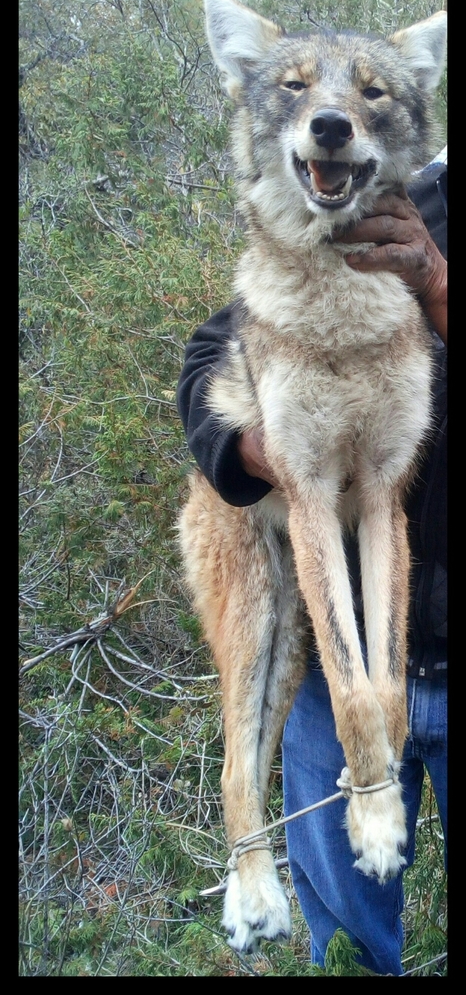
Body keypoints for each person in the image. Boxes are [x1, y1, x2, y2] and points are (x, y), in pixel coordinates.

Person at [176, 151, 447, 976]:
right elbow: (211, 355)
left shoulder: (419, 240)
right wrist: (259, 450)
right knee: (346, 947)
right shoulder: (395, 196)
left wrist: (434, 283)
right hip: (340, 663)